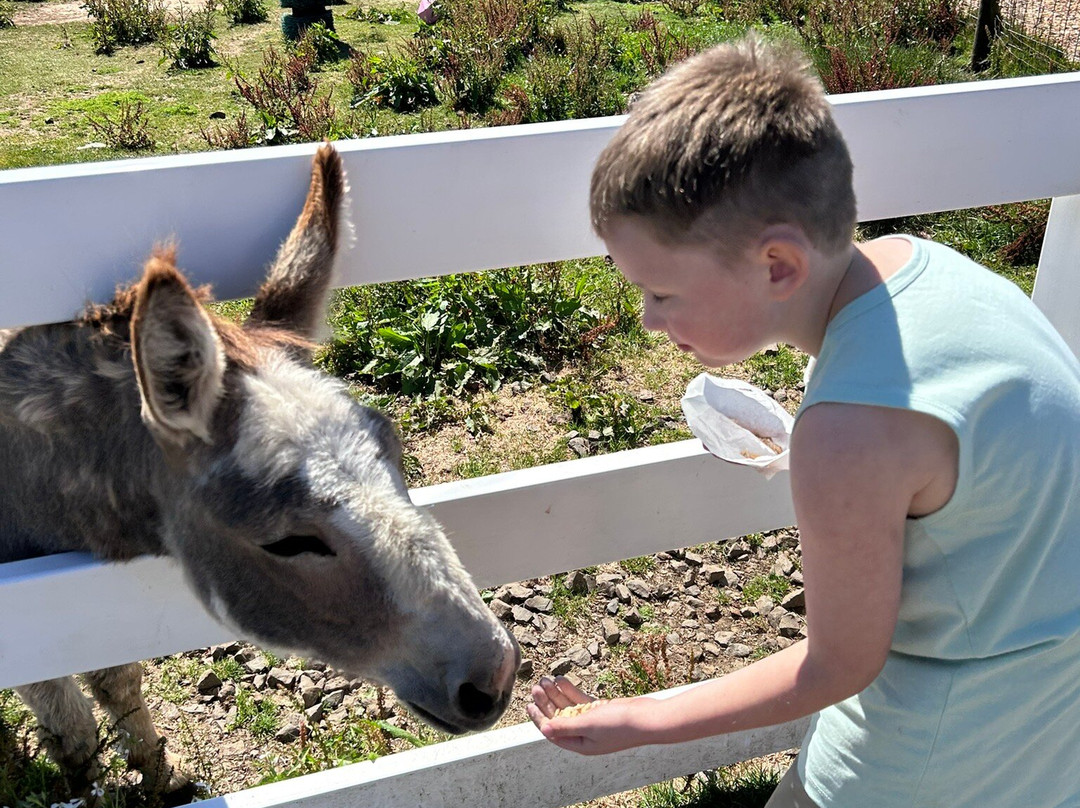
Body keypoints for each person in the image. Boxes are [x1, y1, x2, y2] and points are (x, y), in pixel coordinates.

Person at [527, 33, 1080, 808]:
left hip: (922, 762)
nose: (650, 321)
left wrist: (644, 718)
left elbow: (837, 667)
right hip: (1046, 730)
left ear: (778, 266)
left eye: (662, 293)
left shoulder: (848, 433)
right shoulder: (926, 269)